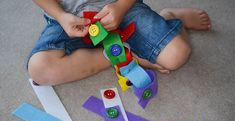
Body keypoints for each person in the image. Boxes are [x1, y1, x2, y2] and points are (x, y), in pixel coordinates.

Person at [28, 0, 211, 85]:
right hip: (67, 16)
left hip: (120, 7)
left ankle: (170, 17)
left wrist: (122, 6)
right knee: (40, 70)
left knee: (177, 55)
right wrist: (60, 16)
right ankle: (120, 54)